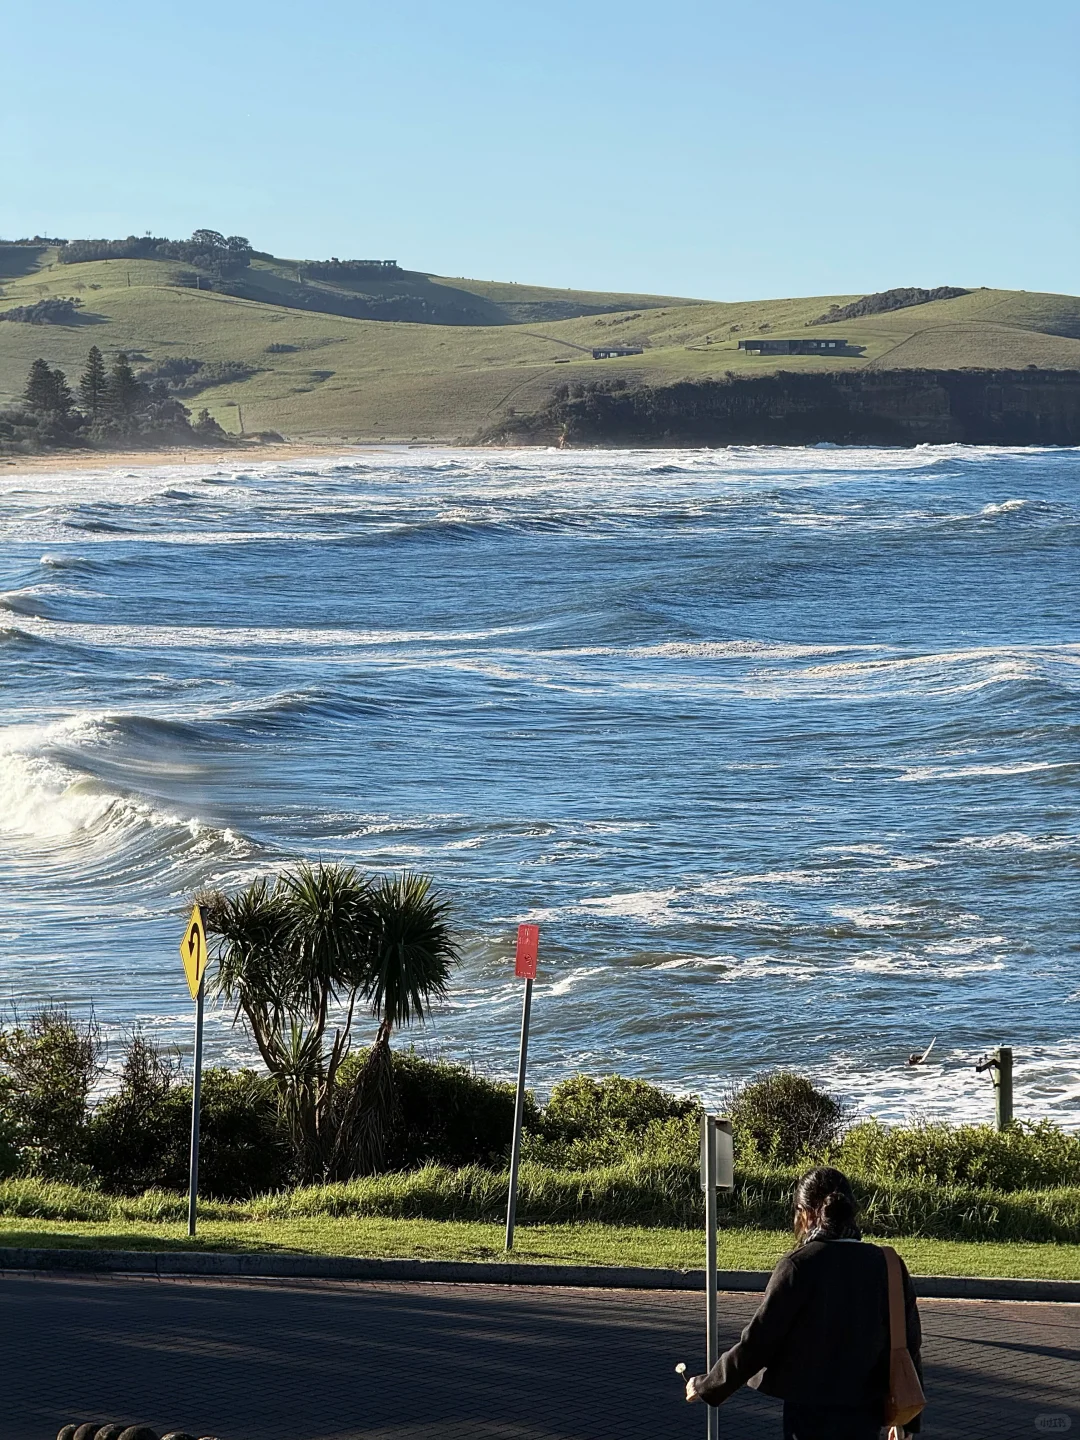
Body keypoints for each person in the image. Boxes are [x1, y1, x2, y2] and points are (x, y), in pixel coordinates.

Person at [685, 1166, 922, 1440]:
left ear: (806, 1213)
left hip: (809, 1414)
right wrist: (908, 1418)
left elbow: (759, 1342)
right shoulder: (887, 1264)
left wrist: (708, 1385)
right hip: (865, 1412)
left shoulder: (798, 1265)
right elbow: (909, 1343)